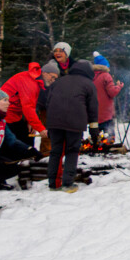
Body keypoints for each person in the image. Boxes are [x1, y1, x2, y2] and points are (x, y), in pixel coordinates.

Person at [44, 60, 100, 192]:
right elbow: (93, 109)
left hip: (54, 122)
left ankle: (53, 184)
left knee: (55, 151)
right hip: (75, 122)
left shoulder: (59, 81)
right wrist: (94, 130)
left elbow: (48, 102)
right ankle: (68, 184)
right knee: (72, 151)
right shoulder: (89, 84)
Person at [0, 62, 52, 149]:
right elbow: (28, 108)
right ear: (45, 73)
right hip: (4, 114)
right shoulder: (29, 81)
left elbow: (30, 104)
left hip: (13, 115)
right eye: (52, 77)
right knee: (12, 141)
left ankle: (25, 155)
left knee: (26, 134)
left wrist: (30, 121)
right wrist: (41, 129)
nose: (53, 80)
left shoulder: (35, 81)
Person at [91, 52, 123, 142]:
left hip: (93, 114)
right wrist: (119, 86)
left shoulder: (91, 76)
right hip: (106, 114)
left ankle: (95, 147)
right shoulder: (106, 76)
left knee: (96, 139)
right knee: (109, 138)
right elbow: (112, 92)